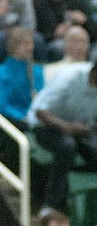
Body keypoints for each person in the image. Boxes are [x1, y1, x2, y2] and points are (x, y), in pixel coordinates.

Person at [26, 60, 97, 210]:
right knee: (67, 145)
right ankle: (50, 205)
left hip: (80, 129)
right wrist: (68, 127)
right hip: (46, 126)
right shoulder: (69, 78)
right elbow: (41, 112)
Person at [0, 28, 45, 128]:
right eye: (25, 44)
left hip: (37, 121)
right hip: (13, 122)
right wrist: (23, 118)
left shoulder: (37, 71)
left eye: (31, 43)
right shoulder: (0, 72)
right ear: (14, 46)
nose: (30, 48)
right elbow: (4, 106)